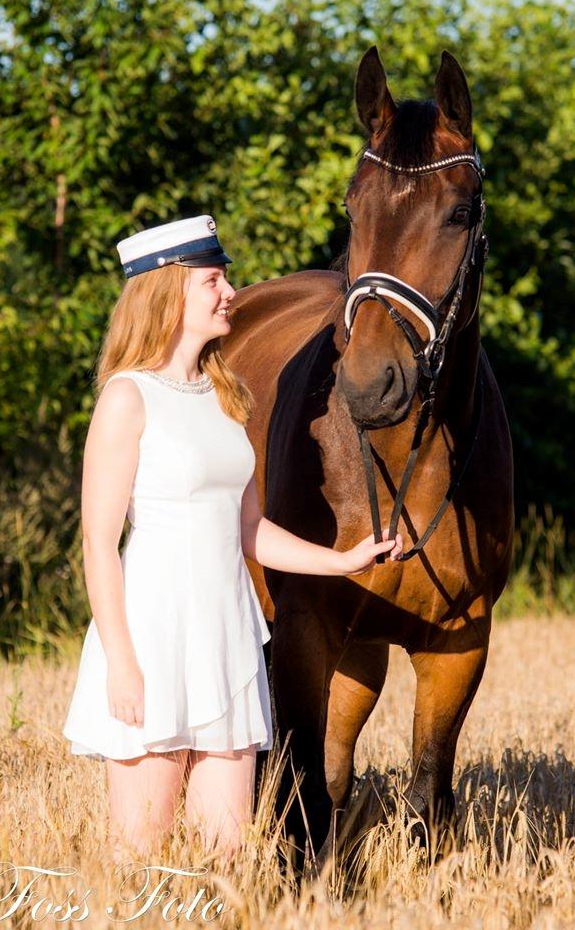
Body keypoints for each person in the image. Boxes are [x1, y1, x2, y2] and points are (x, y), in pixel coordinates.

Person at [62, 213, 403, 863]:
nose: (229, 293)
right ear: (167, 294)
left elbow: (248, 529)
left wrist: (344, 560)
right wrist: (123, 662)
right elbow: (99, 544)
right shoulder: (127, 399)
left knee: (229, 856)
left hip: (229, 641)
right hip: (154, 639)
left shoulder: (225, 397)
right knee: (142, 855)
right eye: (213, 280)